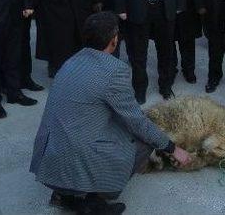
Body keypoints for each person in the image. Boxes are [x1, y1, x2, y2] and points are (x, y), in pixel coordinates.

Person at [29, 12, 191, 214]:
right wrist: (172, 148)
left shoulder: (70, 61)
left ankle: (64, 193)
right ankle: (93, 199)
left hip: (48, 160)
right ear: (114, 41)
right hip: (75, 159)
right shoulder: (115, 70)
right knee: (141, 141)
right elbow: (137, 122)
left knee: (110, 126)